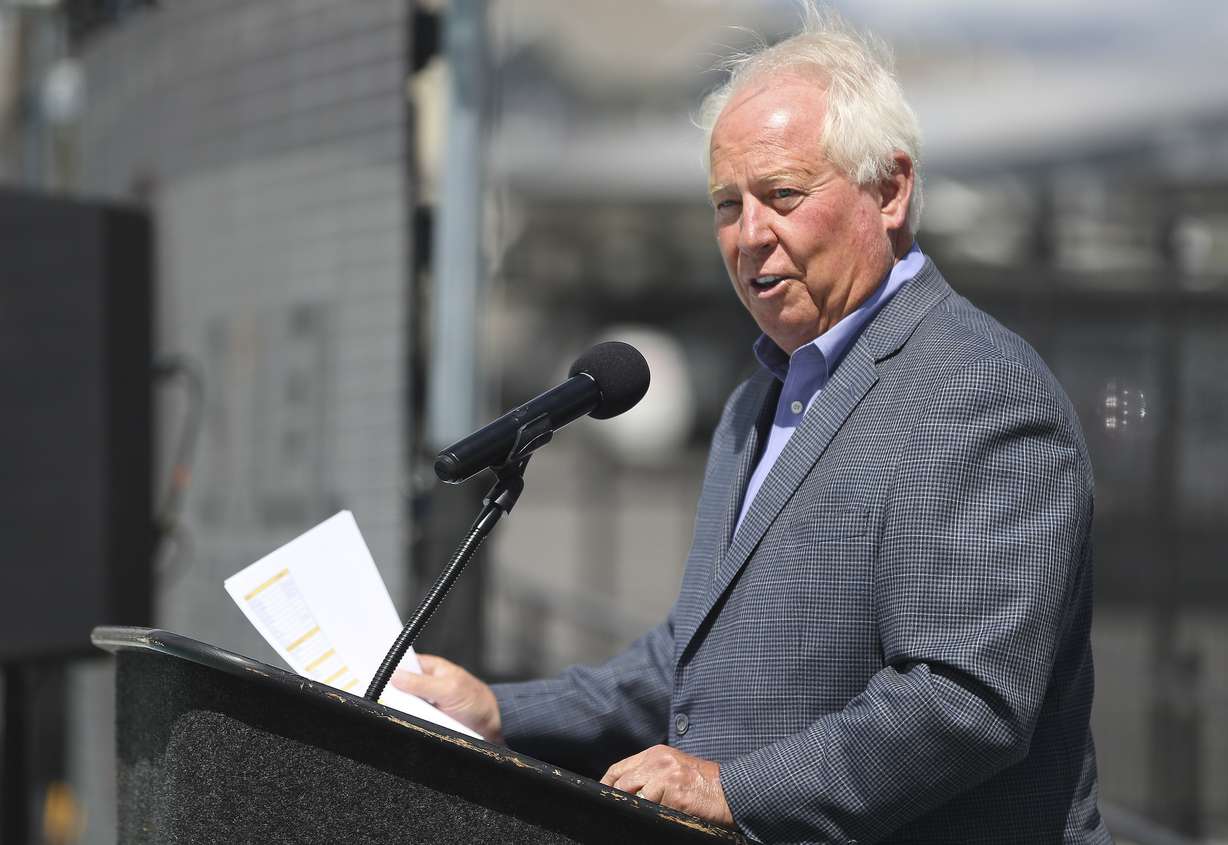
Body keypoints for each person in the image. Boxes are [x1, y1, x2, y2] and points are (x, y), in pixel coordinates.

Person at [394, 8, 1110, 843]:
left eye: (782, 195)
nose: (749, 235)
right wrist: (499, 710)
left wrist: (735, 789)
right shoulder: (758, 397)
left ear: (890, 191)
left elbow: (964, 698)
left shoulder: (978, 389)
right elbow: (696, 661)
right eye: (727, 204)